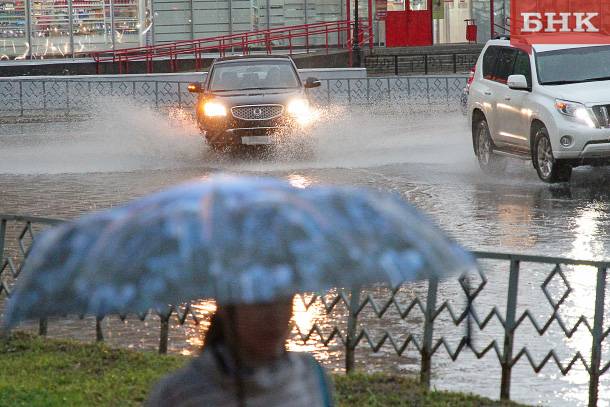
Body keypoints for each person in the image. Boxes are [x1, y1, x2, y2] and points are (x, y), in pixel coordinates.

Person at [146, 297, 334, 407]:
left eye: (284, 299)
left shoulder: (310, 375)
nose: (274, 316)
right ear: (225, 306)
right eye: (259, 301)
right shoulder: (178, 395)